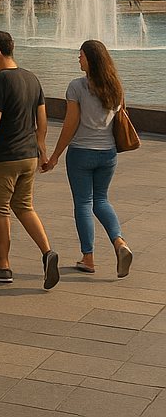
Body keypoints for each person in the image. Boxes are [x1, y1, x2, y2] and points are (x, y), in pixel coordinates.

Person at [0, 31, 59, 290]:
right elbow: (41, 121)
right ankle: (47, 252)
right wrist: (41, 151)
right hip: (28, 157)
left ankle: (2, 265)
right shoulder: (31, 78)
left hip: (4, 158)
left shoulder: (1, 81)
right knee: (24, 207)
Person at [42, 40, 133, 277]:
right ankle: (120, 243)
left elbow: (70, 124)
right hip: (108, 154)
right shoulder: (116, 87)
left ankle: (88, 258)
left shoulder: (77, 87)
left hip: (82, 153)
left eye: (81, 56)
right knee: (101, 200)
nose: (79, 60)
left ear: (91, 60)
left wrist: (54, 156)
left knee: (83, 203)